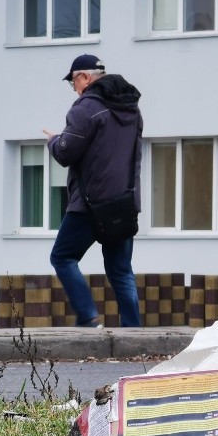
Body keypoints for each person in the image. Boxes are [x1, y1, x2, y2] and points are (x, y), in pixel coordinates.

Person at [43, 54, 143, 328]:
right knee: (121, 271)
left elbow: (67, 153)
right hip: (124, 203)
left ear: (84, 77)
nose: (74, 88)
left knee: (62, 257)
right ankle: (134, 333)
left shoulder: (85, 108)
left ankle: (87, 316)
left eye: (74, 81)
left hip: (90, 205)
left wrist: (54, 141)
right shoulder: (131, 109)